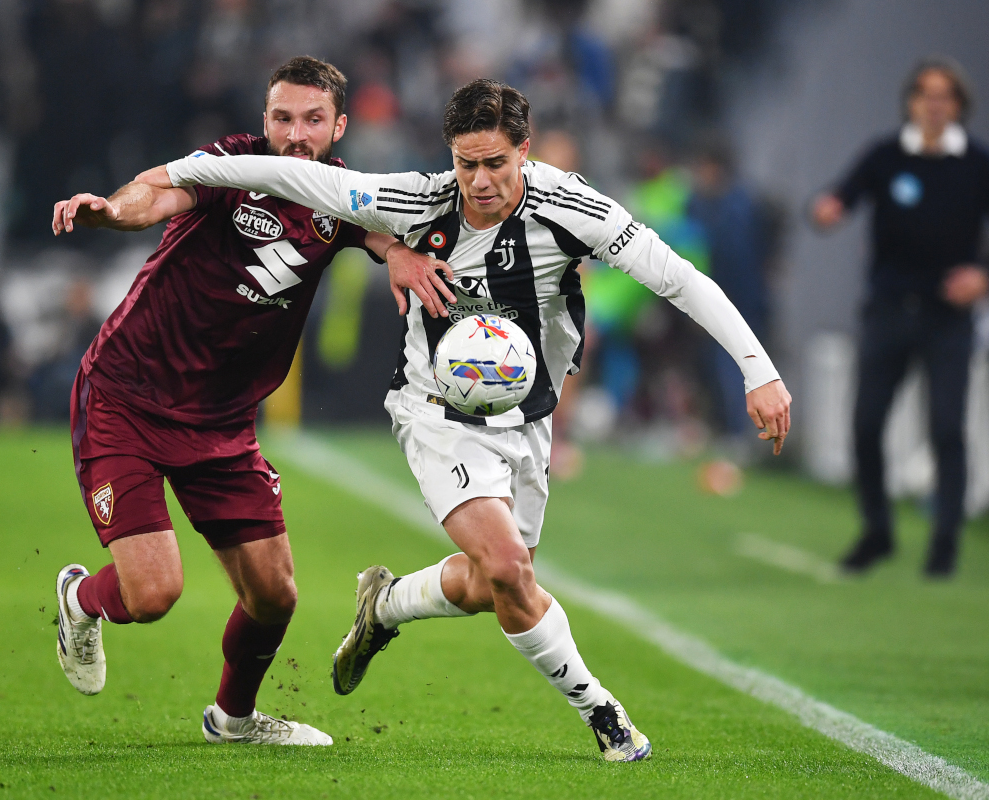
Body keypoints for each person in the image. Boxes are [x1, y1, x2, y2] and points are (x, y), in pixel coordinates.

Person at [161, 78, 792, 762]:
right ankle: (606, 717)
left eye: (496, 163)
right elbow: (295, 176)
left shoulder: (572, 207)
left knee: (492, 584)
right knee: (510, 570)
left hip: (528, 420)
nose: (481, 180)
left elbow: (678, 278)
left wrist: (758, 369)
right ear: (450, 156)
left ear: (525, 150)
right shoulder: (418, 200)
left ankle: (386, 606)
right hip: (436, 413)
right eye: (467, 164)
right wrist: (175, 173)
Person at [48, 56, 454, 746]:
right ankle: (78, 599)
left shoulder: (341, 193)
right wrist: (113, 213)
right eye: (283, 118)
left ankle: (232, 720)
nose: (296, 135)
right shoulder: (232, 166)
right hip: (128, 397)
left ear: (338, 126)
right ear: (263, 121)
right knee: (152, 595)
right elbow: (158, 192)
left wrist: (402, 256)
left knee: (274, 596)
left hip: (221, 425)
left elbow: (381, 230)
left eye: (312, 120)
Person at [813, 57, 989, 578]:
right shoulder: (886, 157)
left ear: (959, 106)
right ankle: (877, 531)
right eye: (925, 94)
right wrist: (824, 211)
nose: (934, 105)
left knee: (946, 430)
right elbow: (835, 201)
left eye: (945, 96)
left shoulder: (976, 163)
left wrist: (983, 276)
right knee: (866, 425)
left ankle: (945, 545)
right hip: (889, 311)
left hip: (947, 320)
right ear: (911, 101)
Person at [687, 140, 772, 452]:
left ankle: (741, 435)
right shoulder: (702, 202)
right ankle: (726, 429)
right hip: (715, 299)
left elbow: (736, 258)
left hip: (740, 300)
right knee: (715, 367)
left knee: (737, 366)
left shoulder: (737, 206)